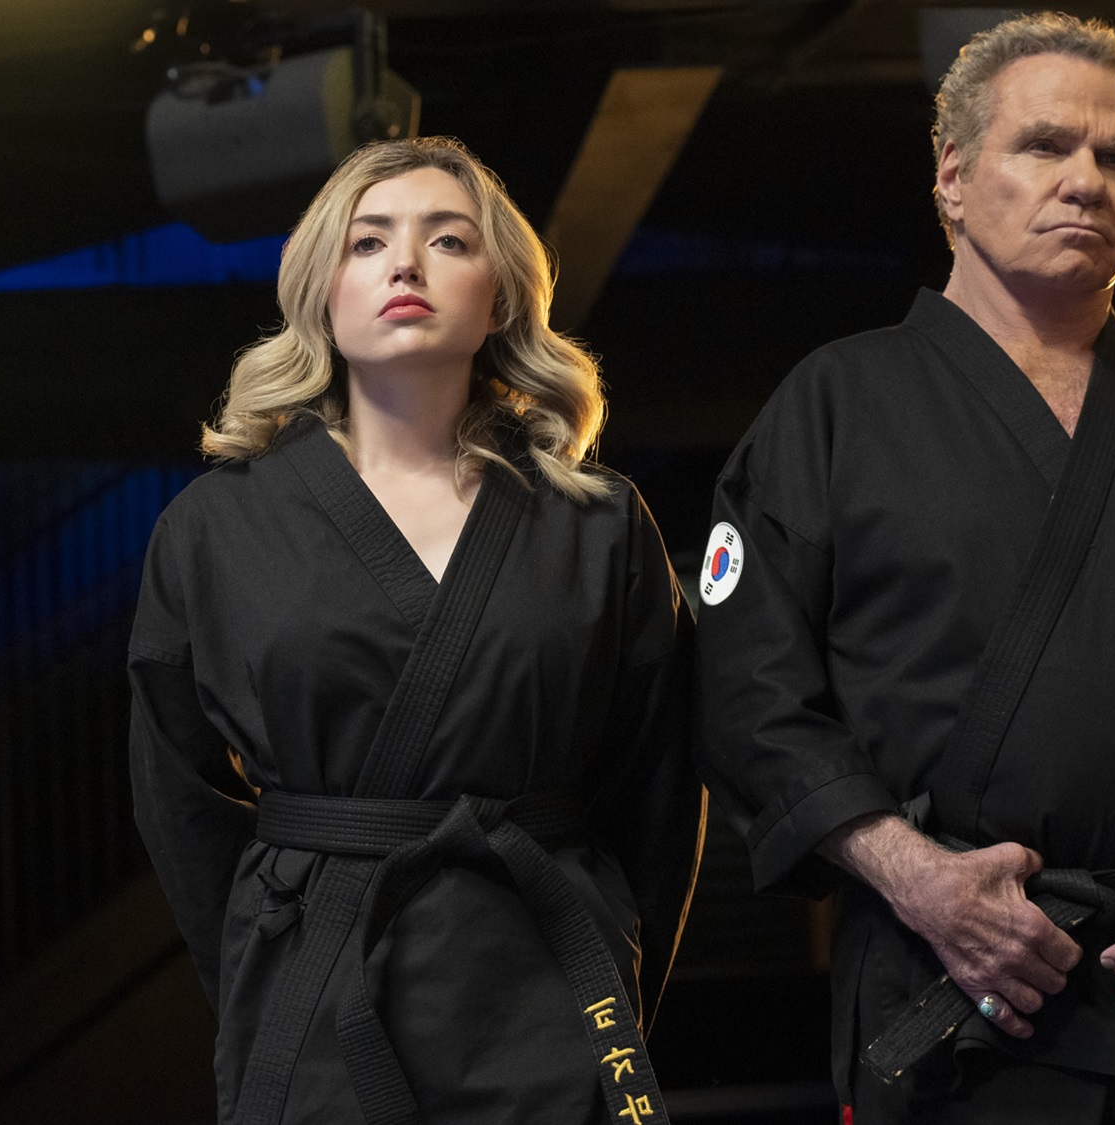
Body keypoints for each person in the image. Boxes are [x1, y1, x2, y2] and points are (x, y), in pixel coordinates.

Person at [695, 12, 1115, 1123]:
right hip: (950, 992)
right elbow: (747, 695)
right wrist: (916, 877)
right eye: (1044, 145)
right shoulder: (836, 405)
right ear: (952, 179)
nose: (1086, 180)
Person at [128, 136, 701, 1123]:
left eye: (447, 240)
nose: (405, 265)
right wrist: (265, 953)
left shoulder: (599, 522)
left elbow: (657, 783)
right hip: (312, 974)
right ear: (322, 293)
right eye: (367, 243)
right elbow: (176, 792)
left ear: (500, 296)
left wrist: (607, 948)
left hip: (542, 980)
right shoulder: (213, 529)